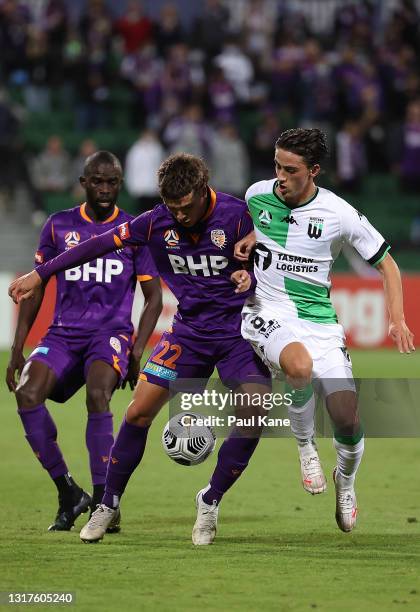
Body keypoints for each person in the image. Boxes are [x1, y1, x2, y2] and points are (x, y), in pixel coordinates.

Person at [9, 153, 271, 546]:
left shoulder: (237, 215)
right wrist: (41, 272)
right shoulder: (154, 221)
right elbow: (95, 245)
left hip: (238, 333)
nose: (179, 216)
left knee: (255, 412)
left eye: (185, 207)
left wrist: (248, 279)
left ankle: (210, 500)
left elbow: (271, 262)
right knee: (137, 412)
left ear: (203, 191)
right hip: (189, 333)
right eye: (172, 207)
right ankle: (107, 504)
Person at [235, 128, 415, 532]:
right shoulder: (256, 194)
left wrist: (397, 318)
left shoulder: (338, 213)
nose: (280, 175)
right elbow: (248, 229)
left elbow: (387, 263)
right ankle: (305, 449)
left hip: (319, 321)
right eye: (277, 166)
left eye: (291, 169)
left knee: (347, 417)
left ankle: (345, 481)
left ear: (313, 170)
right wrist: (248, 238)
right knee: (297, 367)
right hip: (267, 310)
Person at [6, 151, 162, 531]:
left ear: (120, 184)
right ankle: (68, 492)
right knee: (26, 393)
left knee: (98, 395)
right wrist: (16, 348)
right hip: (62, 333)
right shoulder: (59, 226)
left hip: (109, 335)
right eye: (98, 181)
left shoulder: (133, 230)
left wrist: (137, 349)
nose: (105, 189)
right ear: (84, 182)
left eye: (112, 182)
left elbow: (154, 298)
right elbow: (37, 288)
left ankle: (105, 503)